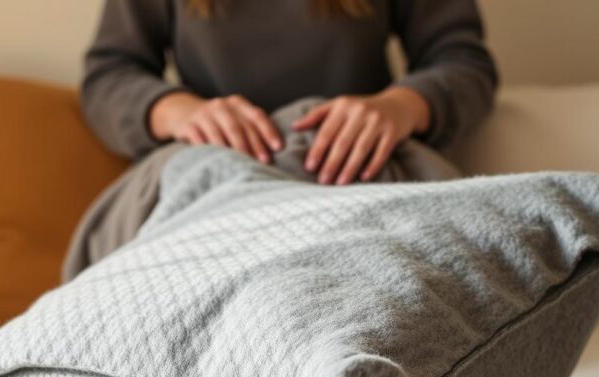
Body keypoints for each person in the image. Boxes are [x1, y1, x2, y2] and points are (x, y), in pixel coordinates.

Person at [64, 0, 498, 279]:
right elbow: (109, 73)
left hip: (354, 175)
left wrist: (400, 107)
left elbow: (464, 61)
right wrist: (179, 111)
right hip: (211, 174)